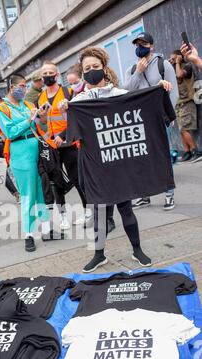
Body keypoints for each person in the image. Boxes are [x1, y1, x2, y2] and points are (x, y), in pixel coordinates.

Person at [59, 46, 172, 273]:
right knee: (100, 210)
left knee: (125, 207)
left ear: (104, 68)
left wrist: (161, 89)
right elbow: (73, 133)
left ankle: (137, 250)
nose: (92, 71)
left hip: (118, 161)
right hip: (94, 164)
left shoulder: (119, 95)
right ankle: (99, 255)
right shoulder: (78, 101)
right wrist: (65, 110)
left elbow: (143, 107)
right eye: (87, 68)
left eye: (95, 67)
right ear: (82, 73)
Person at [0, 74, 64, 252]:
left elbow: (42, 127)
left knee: (42, 189)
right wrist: (30, 119)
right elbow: (10, 133)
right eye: (22, 86)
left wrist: (42, 116)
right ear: (11, 87)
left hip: (36, 149)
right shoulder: (1, 108)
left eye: (25, 86)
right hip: (20, 152)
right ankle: (29, 235)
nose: (24, 89)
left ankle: (47, 228)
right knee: (28, 194)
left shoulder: (28, 105)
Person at [125, 32, 178, 211]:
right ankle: (144, 195)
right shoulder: (132, 69)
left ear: (152, 46)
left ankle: (169, 195)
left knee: (162, 157)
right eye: (137, 44)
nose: (140, 47)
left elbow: (174, 91)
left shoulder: (164, 64)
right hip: (140, 120)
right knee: (141, 158)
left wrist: (169, 115)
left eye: (144, 43)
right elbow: (128, 92)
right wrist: (138, 72)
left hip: (160, 118)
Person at [37, 60, 89, 230]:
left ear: (57, 75)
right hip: (52, 146)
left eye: (50, 73)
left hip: (69, 143)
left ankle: (88, 211)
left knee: (77, 178)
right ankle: (63, 216)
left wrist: (62, 135)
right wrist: (41, 118)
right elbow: (41, 123)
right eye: (44, 74)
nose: (47, 76)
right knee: (56, 182)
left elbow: (76, 118)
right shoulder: (40, 97)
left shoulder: (67, 92)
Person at [66, 63, 115, 232]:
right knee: (86, 182)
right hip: (85, 146)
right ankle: (98, 216)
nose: (72, 85)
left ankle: (107, 218)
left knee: (107, 182)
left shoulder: (109, 91)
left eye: (74, 81)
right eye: (70, 83)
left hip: (105, 143)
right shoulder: (76, 97)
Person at [169, 50, 201, 164]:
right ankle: (187, 151)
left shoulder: (187, 66)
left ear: (179, 57)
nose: (172, 61)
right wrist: (169, 65)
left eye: (174, 58)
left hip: (187, 103)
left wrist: (177, 62)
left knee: (184, 129)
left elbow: (179, 75)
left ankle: (195, 151)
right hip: (179, 104)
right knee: (181, 130)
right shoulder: (173, 69)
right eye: (171, 59)